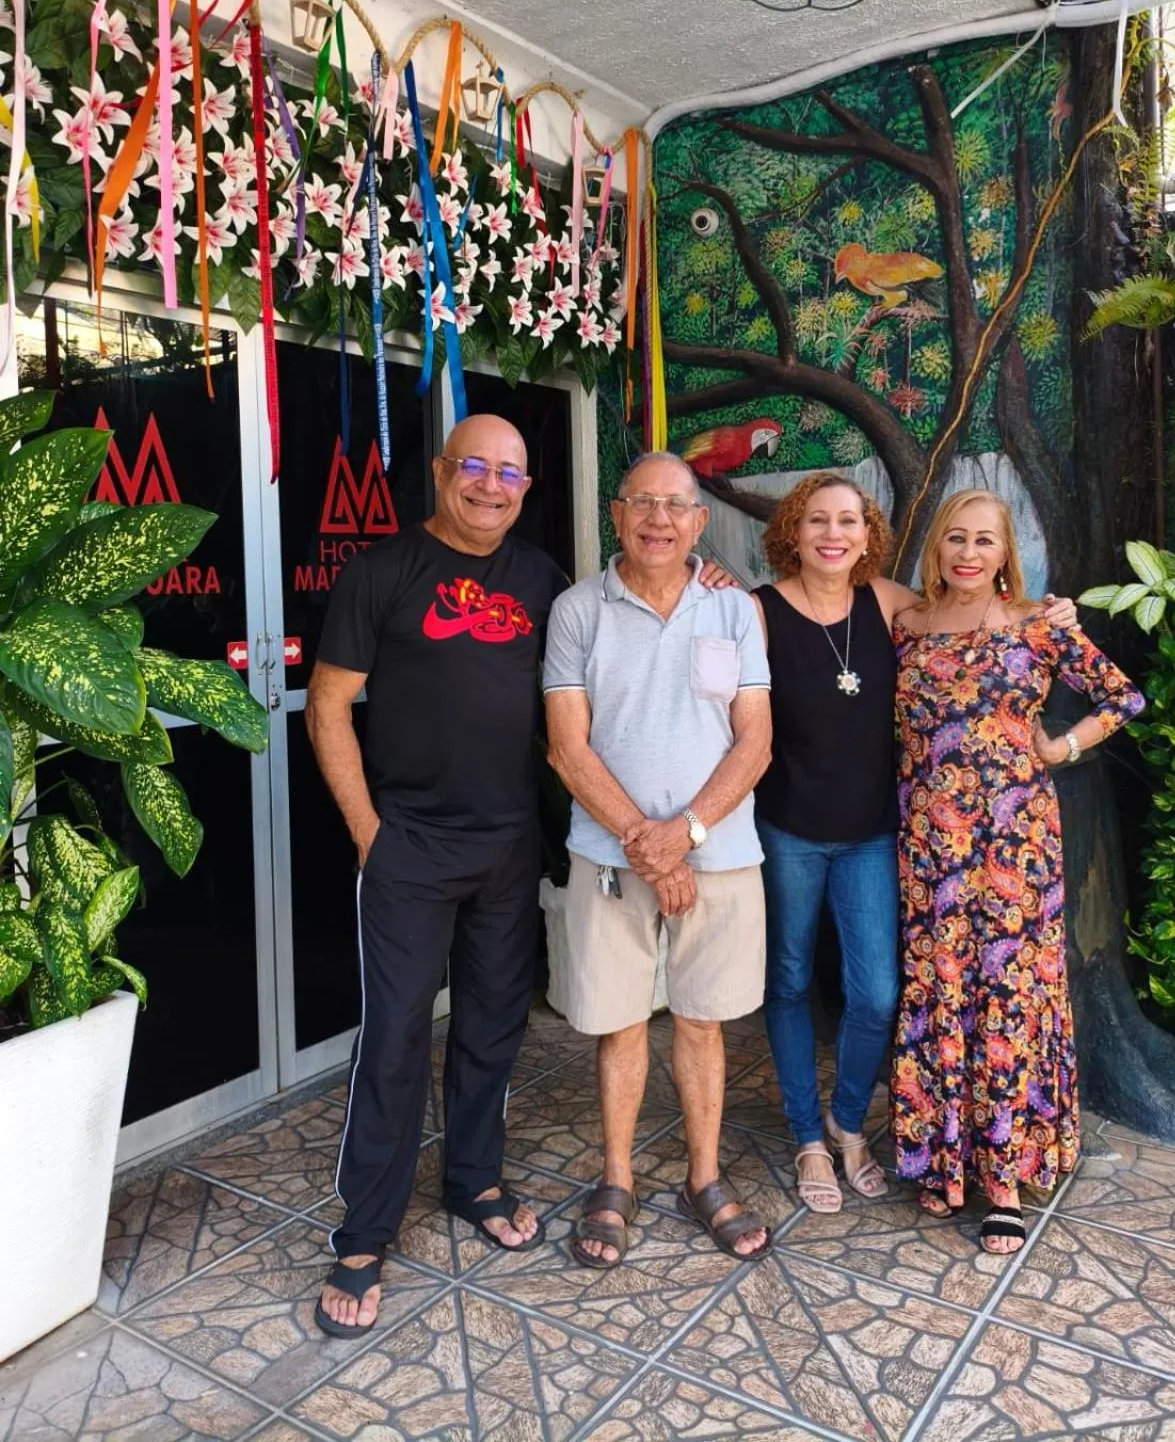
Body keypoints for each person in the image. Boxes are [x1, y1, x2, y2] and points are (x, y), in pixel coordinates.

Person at [753, 473, 1077, 1215]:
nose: (833, 535)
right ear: (793, 532)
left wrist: (1046, 612)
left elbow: (972, 619)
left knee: (877, 993)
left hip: (875, 834)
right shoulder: (757, 610)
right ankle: (809, 1136)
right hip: (788, 830)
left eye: (848, 521)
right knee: (790, 982)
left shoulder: (895, 606)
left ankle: (847, 1121)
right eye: (816, 521)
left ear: (868, 535)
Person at [306, 414, 566, 1337]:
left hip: (508, 845)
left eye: (511, 473)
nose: (492, 486)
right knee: (395, 1037)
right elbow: (327, 707)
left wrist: (707, 582)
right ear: (445, 470)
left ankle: (473, 1179)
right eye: (476, 468)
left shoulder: (543, 580)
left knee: (493, 1027)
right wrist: (370, 833)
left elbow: (597, 672)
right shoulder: (382, 572)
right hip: (410, 846)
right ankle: (367, 1226)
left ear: (526, 488)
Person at [891, 489, 1144, 1254]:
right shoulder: (906, 628)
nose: (968, 553)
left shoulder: (1038, 627)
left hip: (1014, 850)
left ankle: (1004, 1181)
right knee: (939, 988)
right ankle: (945, 1158)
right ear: (936, 548)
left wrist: (1060, 747)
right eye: (955, 540)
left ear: (1007, 555)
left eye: (985, 542)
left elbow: (1122, 697)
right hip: (928, 851)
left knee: (1005, 995)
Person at [544, 452, 775, 1267]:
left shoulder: (735, 609)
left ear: (699, 522)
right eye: (641, 503)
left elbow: (756, 741)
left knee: (704, 1021)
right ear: (615, 515)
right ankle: (616, 1178)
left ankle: (703, 1177)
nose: (658, 519)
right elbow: (568, 749)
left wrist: (686, 835)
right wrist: (649, 844)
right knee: (617, 1023)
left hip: (717, 854)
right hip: (609, 858)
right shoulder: (578, 610)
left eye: (675, 506)